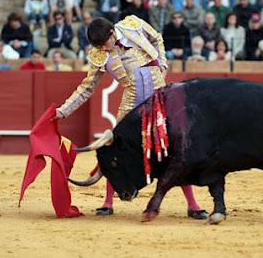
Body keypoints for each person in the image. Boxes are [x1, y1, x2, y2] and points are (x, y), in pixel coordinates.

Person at [54, 15, 208, 220]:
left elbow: (157, 38)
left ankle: (193, 204)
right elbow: (87, 87)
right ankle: (107, 202)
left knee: (173, 147)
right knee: (114, 149)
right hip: (131, 101)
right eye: (99, 47)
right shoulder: (99, 54)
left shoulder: (132, 25)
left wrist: (162, 62)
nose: (105, 50)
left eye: (105, 44)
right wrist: (63, 111)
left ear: (112, 33)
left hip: (159, 96)